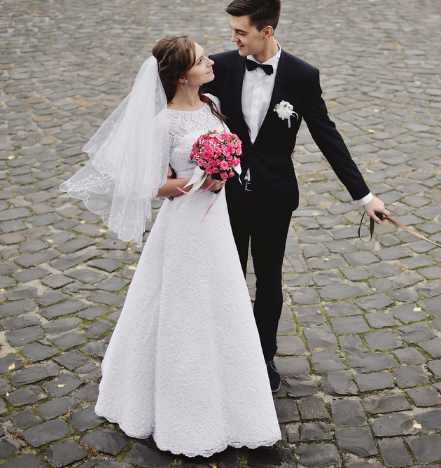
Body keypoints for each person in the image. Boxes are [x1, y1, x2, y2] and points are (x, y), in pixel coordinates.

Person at [60, 36, 281, 457]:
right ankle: (180, 406)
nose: (211, 62)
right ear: (182, 76)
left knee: (221, 299)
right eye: (201, 61)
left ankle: (232, 394)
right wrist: (176, 184)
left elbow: (229, 153)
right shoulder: (164, 122)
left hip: (215, 221)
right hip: (184, 226)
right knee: (183, 304)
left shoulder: (212, 104)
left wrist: (223, 171)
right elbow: (144, 178)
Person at [203, 0, 390, 392]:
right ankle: (226, 350)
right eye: (233, 31)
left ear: (266, 32)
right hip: (226, 193)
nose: (233, 37)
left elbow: (327, 135)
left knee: (269, 280)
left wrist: (364, 196)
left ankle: (263, 355)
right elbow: (179, 99)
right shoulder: (220, 66)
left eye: (241, 31)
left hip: (275, 195)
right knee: (229, 275)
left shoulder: (302, 76)